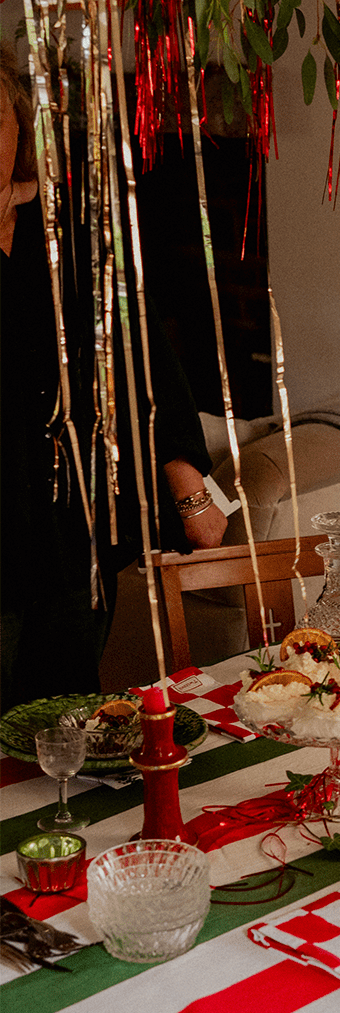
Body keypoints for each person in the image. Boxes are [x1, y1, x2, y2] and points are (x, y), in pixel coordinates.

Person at [0, 45, 227, 708]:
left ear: (21, 128)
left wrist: (188, 482)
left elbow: (139, 350)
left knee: (68, 725)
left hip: (75, 535)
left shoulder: (68, 231)